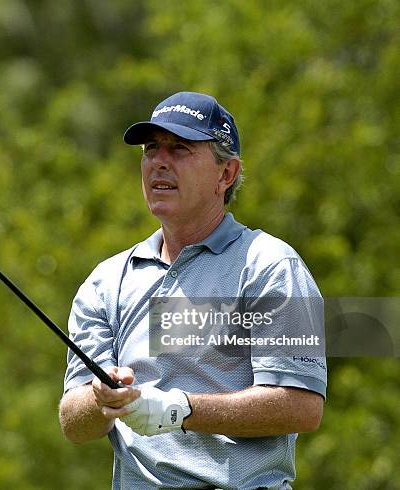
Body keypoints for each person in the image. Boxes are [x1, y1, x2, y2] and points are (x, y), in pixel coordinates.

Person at [58, 92, 327, 489]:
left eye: (180, 148)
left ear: (226, 174)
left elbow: (302, 407)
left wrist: (179, 409)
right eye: (151, 149)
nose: (159, 161)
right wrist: (101, 399)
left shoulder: (270, 266)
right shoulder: (106, 282)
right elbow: (73, 424)